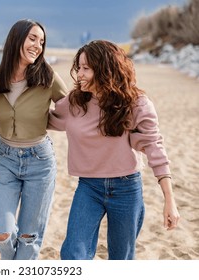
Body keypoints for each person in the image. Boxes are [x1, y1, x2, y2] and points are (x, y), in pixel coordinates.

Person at [48, 40, 180, 260]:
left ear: (104, 69)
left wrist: (170, 200)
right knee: (73, 254)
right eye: (78, 67)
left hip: (127, 189)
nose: (79, 74)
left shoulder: (136, 103)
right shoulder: (75, 102)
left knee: (121, 259)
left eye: (86, 68)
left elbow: (155, 149)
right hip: (88, 188)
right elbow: (43, 120)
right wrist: (9, 130)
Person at [0, 19, 68, 260]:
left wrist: (44, 121)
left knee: (29, 237)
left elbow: (72, 111)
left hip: (40, 161)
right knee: (2, 232)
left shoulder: (47, 76)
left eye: (41, 41)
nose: (38, 46)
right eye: (32, 38)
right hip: (5, 160)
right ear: (16, 39)